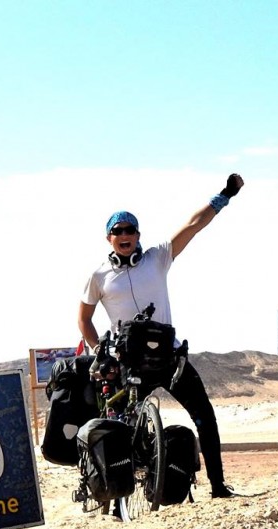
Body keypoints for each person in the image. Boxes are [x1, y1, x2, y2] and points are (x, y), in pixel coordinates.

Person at [78, 173, 245, 499]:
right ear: (109, 238)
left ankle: (218, 486)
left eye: (130, 230)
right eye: (118, 231)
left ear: (138, 235)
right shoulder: (98, 276)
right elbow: (83, 319)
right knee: (121, 430)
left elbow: (193, 226)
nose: (124, 235)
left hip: (167, 356)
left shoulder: (158, 258)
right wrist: (99, 350)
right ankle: (118, 497)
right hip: (129, 363)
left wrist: (224, 195)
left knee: (205, 416)